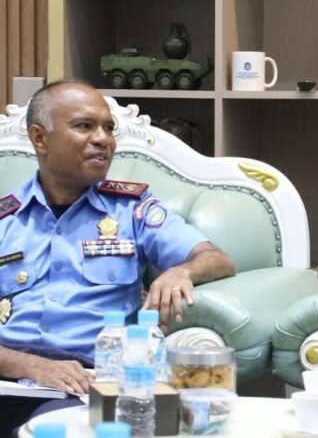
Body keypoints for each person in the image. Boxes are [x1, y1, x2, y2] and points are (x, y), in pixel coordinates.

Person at [0, 80, 235, 435]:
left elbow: (217, 259)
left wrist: (181, 272)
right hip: (10, 376)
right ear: (40, 138)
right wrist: (30, 366)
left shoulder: (131, 210)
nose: (103, 139)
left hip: (83, 388)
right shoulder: (6, 219)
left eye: (108, 128)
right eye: (84, 126)